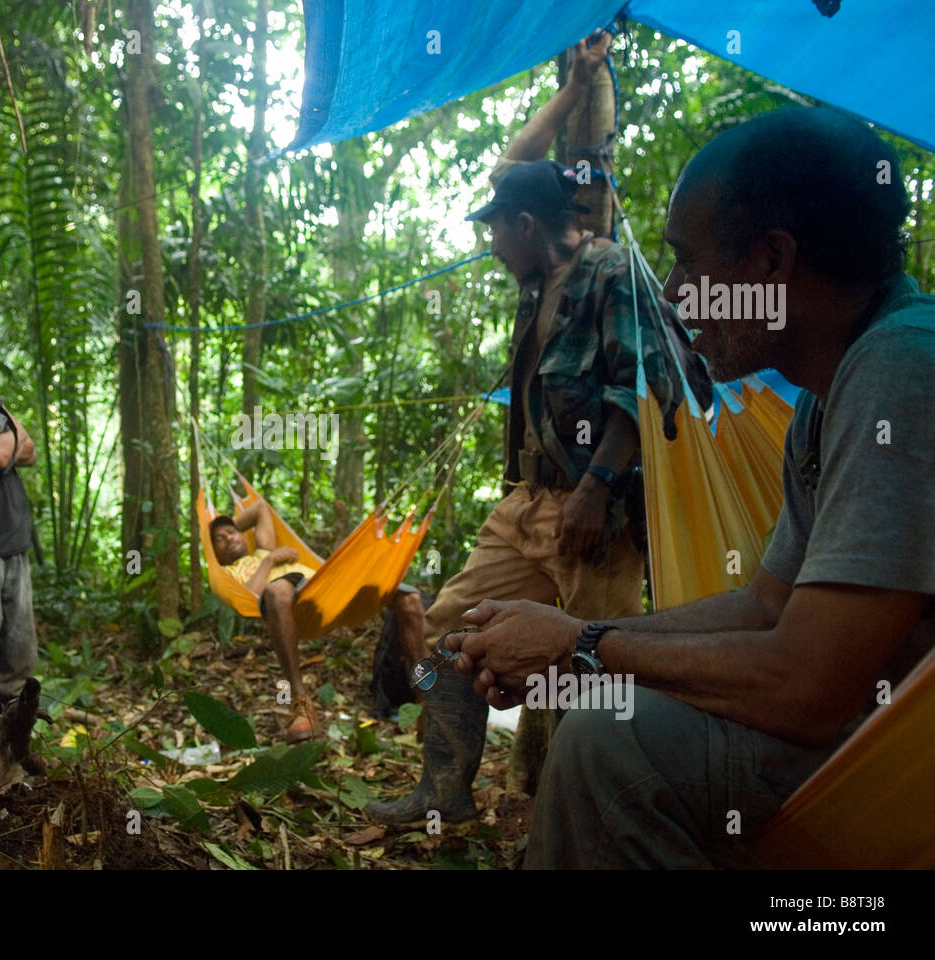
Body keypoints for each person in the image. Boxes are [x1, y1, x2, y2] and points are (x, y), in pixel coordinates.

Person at [446, 105, 934, 868]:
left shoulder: (900, 372)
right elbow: (764, 606)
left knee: (612, 746)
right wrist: (571, 647)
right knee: (611, 705)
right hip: (874, 735)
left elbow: (809, 685)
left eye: (688, 261)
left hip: (898, 767)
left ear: (772, 263)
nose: (673, 293)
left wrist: (582, 647)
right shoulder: (825, 397)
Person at [365, 32, 694, 827]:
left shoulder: (609, 268)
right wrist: (573, 83)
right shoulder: (534, 274)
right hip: (527, 502)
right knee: (449, 629)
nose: (488, 244)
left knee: (587, 663)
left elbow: (642, 386)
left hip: (598, 513)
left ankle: (577, 819)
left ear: (522, 224)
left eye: (493, 229)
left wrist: (596, 490)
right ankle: (444, 794)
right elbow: (512, 162)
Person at [210, 501, 427, 742]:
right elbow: (249, 598)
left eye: (231, 532)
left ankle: (428, 701)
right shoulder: (226, 574)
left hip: (324, 587)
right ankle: (300, 703)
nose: (229, 538)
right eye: (219, 539)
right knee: (276, 591)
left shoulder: (262, 548)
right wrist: (270, 560)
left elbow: (260, 508)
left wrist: (229, 529)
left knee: (410, 598)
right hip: (293, 600)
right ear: (213, 552)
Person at [0, 306, 42, 771]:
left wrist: (12, 438)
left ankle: (13, 756)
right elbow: (2, 454)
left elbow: (29, 449)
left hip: (15, 545)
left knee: (18, 662)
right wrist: (10, 439)